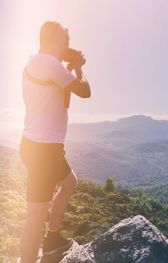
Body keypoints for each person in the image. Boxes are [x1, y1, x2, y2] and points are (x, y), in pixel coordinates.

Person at [18, 21, 91, 263]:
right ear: (51, 41)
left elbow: (62, 99)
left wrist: (69, 63)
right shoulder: (48, 63)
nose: (68, 45)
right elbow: (84, 91)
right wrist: (79, 69)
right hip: (43, 150)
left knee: (69, 182)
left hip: (43, 147)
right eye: (65, 41)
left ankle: (52, 239)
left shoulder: (40, 63)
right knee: (36, 215)